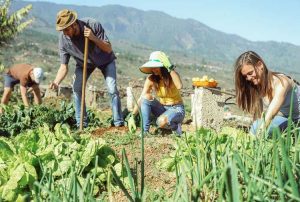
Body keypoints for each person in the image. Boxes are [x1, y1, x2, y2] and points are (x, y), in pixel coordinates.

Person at [50, 9, 124, 127]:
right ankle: (82, 124)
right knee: (77, 88)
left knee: (112, 89)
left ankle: (119, 123)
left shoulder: (92, 24)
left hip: (105, 60)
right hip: (84, 64)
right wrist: (56, 82)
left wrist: (93, 38)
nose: (65, 33)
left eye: (67, 30)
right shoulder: (63, 40)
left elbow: (108, 48)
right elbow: (63, 66)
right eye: (62, 31)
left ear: (73, 24)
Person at [234, 50, 300, 136]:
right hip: (287, 120)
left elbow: (271, 114)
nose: (249, 78)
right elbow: (259, 116)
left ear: (260, 65)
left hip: (297, 121)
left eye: (250, 73)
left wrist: (257, 135)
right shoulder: (258, 85)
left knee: (259, 129)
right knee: (256, 127)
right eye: (245, 76)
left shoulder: (281, 82)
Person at [128, 51, 185, 136]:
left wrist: (170, 68)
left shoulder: (172, 75)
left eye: (156, 67)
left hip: (176, 109)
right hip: (162, 108)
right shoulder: (151, 79)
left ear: (163, 66)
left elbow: (179, 86)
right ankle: (145, 132)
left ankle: (175, 127)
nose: (153, 69)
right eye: (152, 67)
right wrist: (132, 116)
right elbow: (142, 98)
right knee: (146, 97)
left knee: (161, 122)